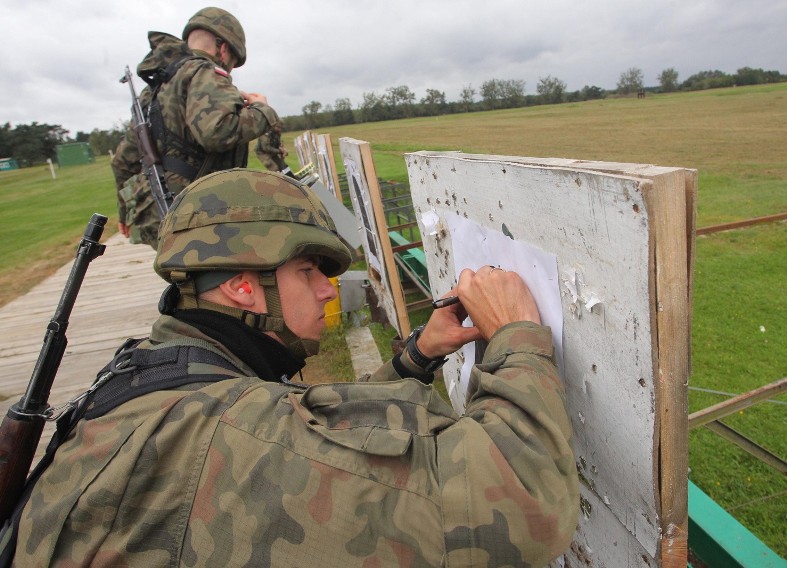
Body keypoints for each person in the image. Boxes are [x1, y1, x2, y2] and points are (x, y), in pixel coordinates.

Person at [15, 169, 579, 567]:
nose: (327, 292)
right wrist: (516, 336)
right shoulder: (230, 431)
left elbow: (313, 428)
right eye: (308, 270)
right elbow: (523, 502)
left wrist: (416, 357)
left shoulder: (156, 370)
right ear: (243, 288)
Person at [112, 6, 279, 248]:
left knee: (189, 284)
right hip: (200, 214)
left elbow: (121, 161)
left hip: (155, 215)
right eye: (232, 61)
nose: (229, 70)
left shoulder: (155, 89)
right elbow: (218, 133)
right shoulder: (205, 72)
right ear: (223, 48)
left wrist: (123, 213)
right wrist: (262, 111)